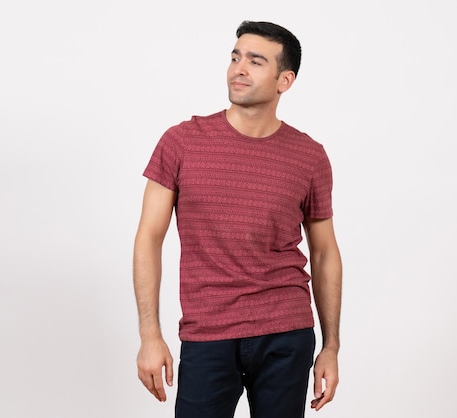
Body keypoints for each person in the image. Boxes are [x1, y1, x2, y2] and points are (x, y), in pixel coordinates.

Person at [133, 20, 342, 418]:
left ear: (285, 80)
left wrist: (330, 347)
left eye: (255, 61)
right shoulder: (182, 142)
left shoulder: (309, 156)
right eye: (235, 57)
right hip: (207, 332)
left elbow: (325, 251)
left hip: (286, 331)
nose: (238, 69)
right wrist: (149, 334)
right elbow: (148, 237)